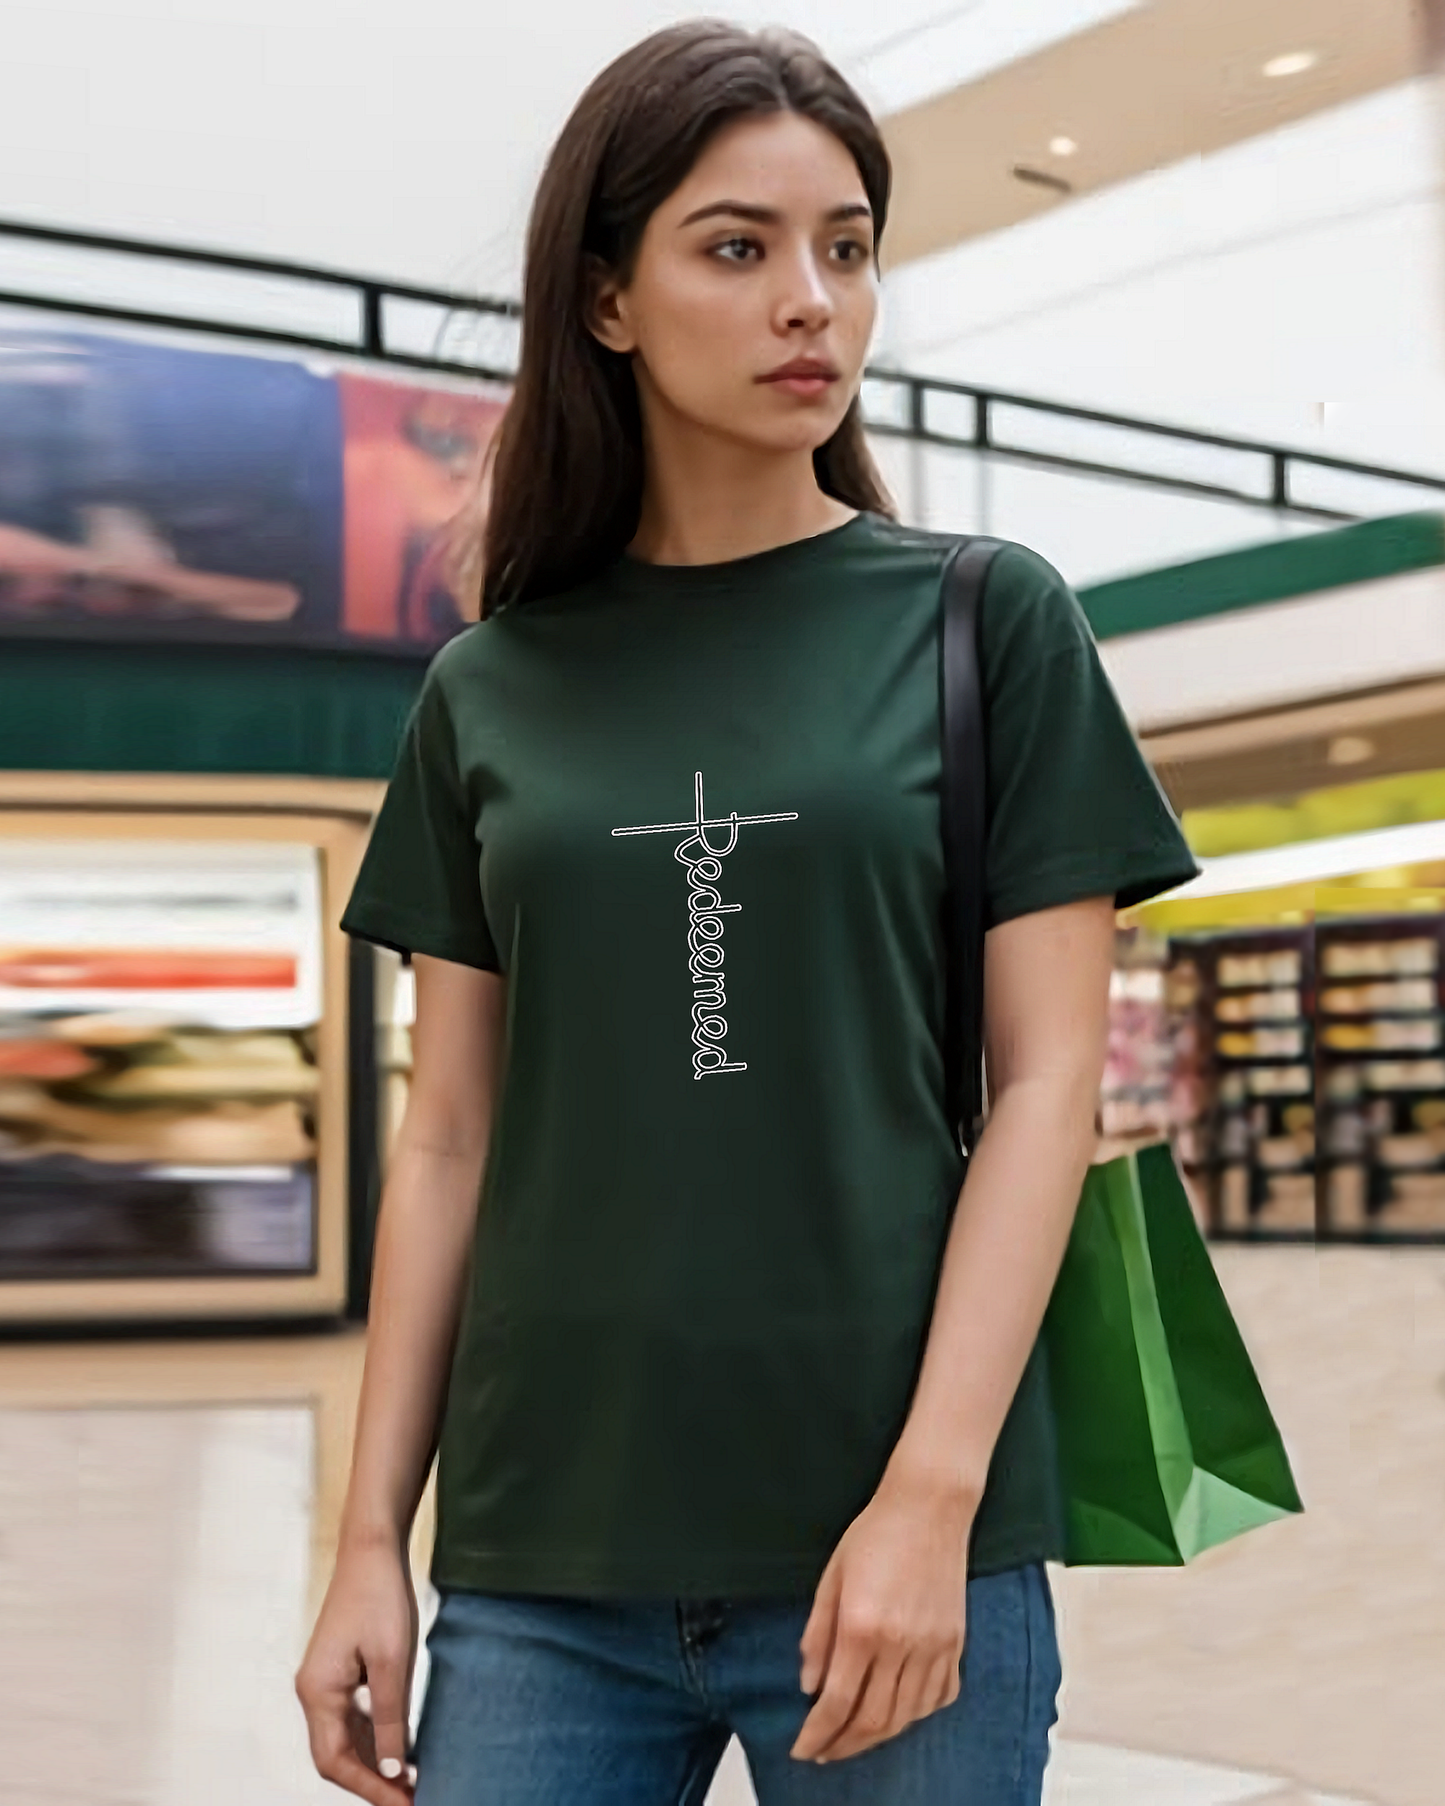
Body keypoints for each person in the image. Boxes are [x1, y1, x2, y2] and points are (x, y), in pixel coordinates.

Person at [295, 21, 1199, 1806]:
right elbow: (455, 1138)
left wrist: (933, 1497)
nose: (813, 300)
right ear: (610, 299)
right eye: (739, 245)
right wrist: (363, 1546)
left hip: (894, 1537)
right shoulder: (489, 691)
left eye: (846, 246)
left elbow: (1043, 1087)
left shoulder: (985, 622)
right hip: (544, 1563)